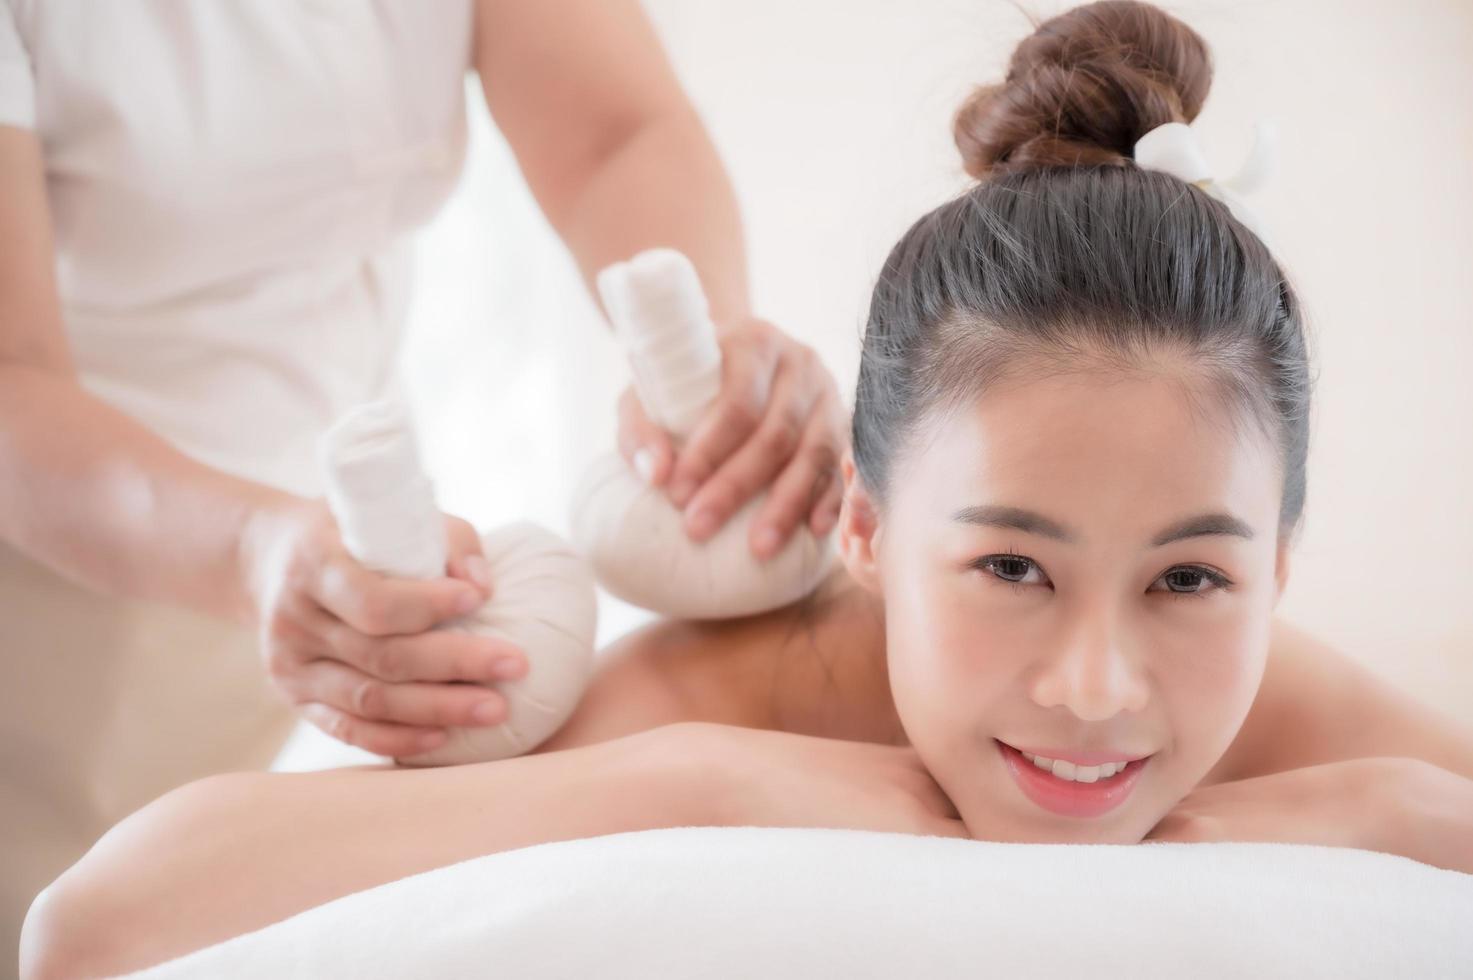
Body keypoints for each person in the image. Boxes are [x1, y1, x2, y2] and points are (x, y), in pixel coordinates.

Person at [19, 1, 1473, 976]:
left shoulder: (1279, 707)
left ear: (1279, 566)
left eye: (1189, 578)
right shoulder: (709, 708)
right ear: (861, 526)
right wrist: (702, 786)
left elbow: (614, 130)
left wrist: (1367, 812)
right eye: (1011, 568)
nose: (1095, 685)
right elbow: (93, 920)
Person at [0, 0, 847, 969]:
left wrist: (708, 361)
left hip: (319, 553)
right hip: (57, 561)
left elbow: (617, 132)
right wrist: (251, 552)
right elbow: (9, 380)